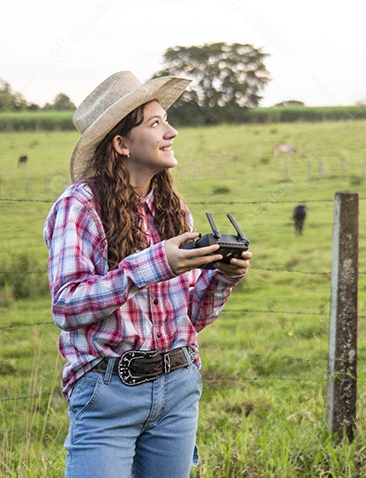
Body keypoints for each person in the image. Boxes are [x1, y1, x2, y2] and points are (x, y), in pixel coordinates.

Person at [44, 70, 252, 477]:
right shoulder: (81, 206)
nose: (171, 132)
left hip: (178, 387)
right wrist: (155, 264)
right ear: (121, 144)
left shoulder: (173, 209)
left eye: (166, 121)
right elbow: (66, 306)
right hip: (108, 393)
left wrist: (223, 277)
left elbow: (191, 317)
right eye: (155, 123)